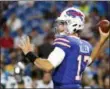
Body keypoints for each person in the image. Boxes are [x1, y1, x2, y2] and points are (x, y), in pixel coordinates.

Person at [18, 7, 109, 88]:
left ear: (73, 24)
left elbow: (47, 66)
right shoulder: (86, 45)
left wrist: (29, 53)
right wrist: (102, 40)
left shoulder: (66, 42)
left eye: (63, 23)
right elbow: (90, 60)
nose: (59, 26)